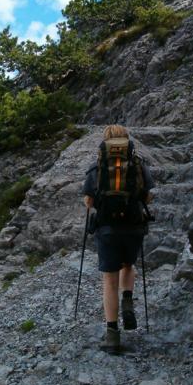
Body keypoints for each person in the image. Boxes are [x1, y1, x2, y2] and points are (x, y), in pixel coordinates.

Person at [82, 124, 154, 353]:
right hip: (133, 226)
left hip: (107, 229)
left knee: (109, 280)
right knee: (128, 265)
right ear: (126, 139)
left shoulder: (97, 166)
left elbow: (88, 202)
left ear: (105, 141)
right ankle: (128, 299)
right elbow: (148, 197)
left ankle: (112, 336)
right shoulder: (138, 164)